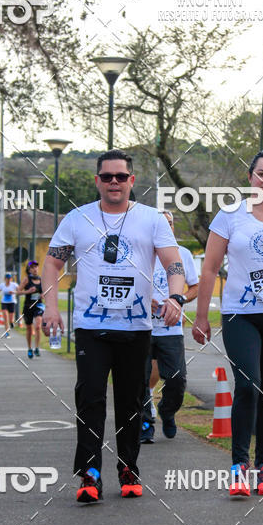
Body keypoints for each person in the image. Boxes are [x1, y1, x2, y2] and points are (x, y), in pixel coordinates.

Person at [41, 148, 185, 504]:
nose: (114, 182)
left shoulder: (152, 219)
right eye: (107, 177)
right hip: (91, 326)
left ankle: (128, 468)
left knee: (131, 402)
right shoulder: (77, 219)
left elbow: (174, 265)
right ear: (97, 181)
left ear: (131, 180)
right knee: (89, 396)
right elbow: (51, 265)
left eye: (121, 176)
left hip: (136, 327)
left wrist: (176, 298)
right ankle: (89, 473)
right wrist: (50, 309)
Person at [192, 149, 263, 497]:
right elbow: (209, 268)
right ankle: (239, 464)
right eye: (262, 174)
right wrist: (200, 316)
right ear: (250, 177)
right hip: (240, 313)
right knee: (248, 383)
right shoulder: (230, 216)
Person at [140, 210, 199, 443]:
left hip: (170, 329)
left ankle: (167, 410)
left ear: (173, 228)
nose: (167, 227)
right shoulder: (140, 252)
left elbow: (195, 287)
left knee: (177, 379)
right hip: (141, 328)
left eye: (170, 224)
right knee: (140, 380)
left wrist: (179, 299)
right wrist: (144, 299)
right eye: (161, 224)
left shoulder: (182, 254)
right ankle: (145, 422)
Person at [17, 260, 43, 359]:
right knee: (29, 328)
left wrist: (43, 295)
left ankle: (37, 348)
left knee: (37, 326)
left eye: (36, 267)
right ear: (29, 269)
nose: (35, 269)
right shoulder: (26, 280)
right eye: (32, 267)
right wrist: (28, 291)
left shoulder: (41, 279)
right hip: (28, 306)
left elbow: (46, 292)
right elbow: (18, 292)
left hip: (38, 305)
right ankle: (29, 348)